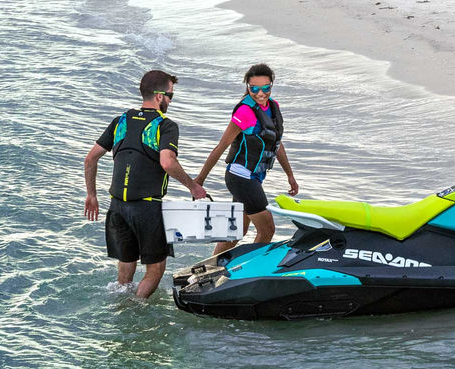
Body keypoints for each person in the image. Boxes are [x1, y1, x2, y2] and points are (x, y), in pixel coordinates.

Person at [83, 69, 206, 299]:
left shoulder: (121, 121)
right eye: (171, 95)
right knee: (155, 268)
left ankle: (121, 305)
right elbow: (167, 162)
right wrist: (193, 186)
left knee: (126, 263)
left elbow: (90, 158)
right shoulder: (165, 125)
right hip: (146, 209)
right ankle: (136, 309)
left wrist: (91, 194)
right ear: (159, 96)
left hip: (117, 206)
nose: (170, 100)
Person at [196, 63, 299, 255]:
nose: (260, 93)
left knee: (236, 232)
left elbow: (277, 144)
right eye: (254, 89)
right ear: (248, 87)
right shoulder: (244, 111)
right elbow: (221, 146)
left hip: (253, 178)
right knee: (267, 230)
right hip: (240, 177)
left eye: (265, 88)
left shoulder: (274, 107)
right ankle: (249, 271)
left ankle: (210, 269)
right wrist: (199, 180)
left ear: (271, 86)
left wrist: (290, 175)